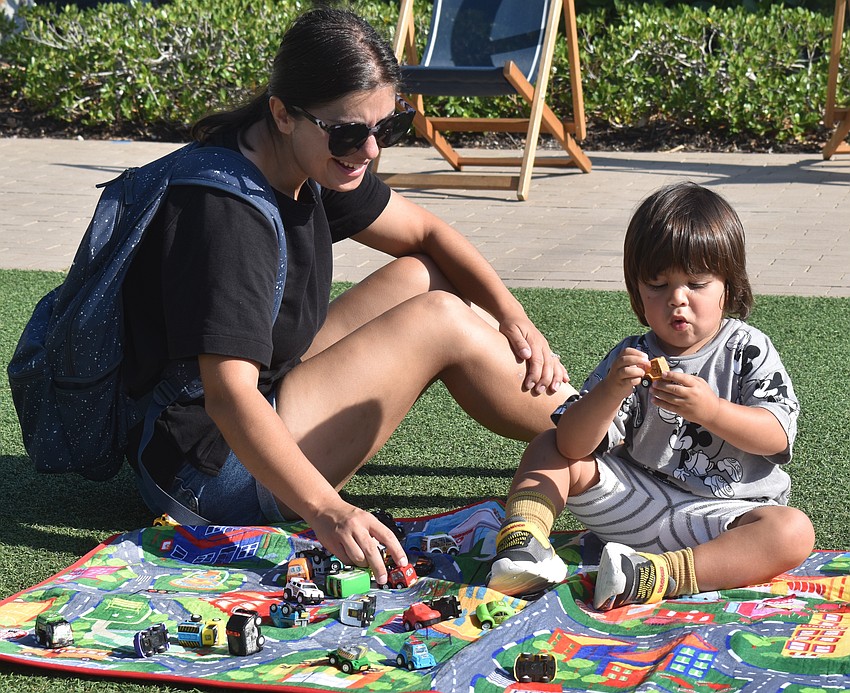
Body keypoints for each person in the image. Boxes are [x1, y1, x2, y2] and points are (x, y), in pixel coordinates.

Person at [120, 7, 575, 584]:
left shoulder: (302, 158)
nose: (370, 150)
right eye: (349, 132)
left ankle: (598, 421)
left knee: (421, 274)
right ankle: (609, 437)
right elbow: (229, 397)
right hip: (210, 472)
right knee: (438, 318)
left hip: (260, 398)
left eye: (387, 127)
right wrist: (327, 511)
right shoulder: (226, 215)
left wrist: (516, 319)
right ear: (283, 114)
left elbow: (431, 235)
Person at [488, 182, 814, 608]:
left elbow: (776, 435)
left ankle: (648, 577)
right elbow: (573, 446)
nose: (677, 299)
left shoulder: (747, 349)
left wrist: (712, 410)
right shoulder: (632, 357)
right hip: (635, 505)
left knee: (792, 531)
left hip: (722, 520)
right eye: (658, 285)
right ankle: (523, 547)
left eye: (696, 283)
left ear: (728, 289)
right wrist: (608, 393)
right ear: (637, 292)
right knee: (549, 442)